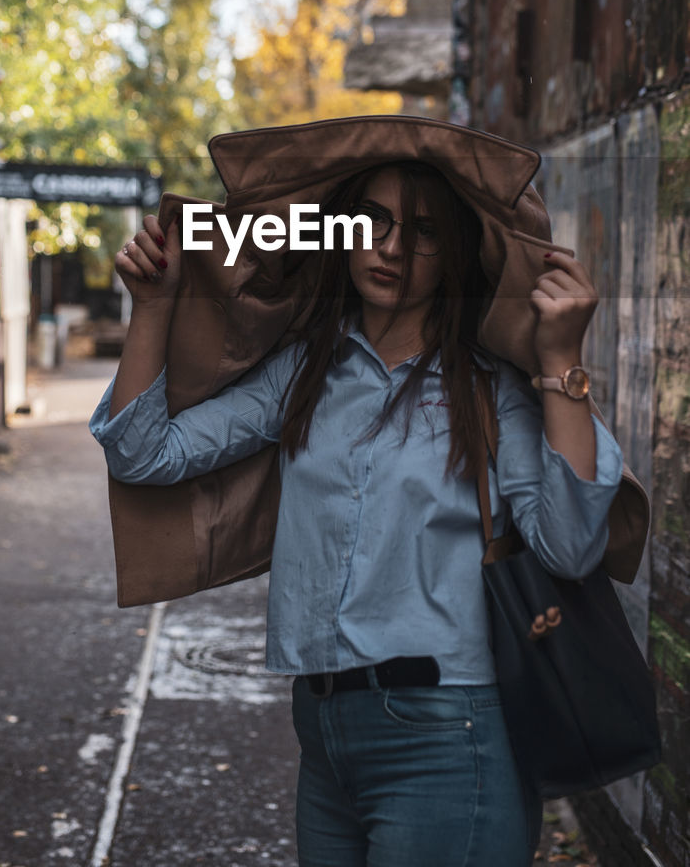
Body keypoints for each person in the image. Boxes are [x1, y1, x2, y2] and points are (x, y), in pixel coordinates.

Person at [90, 155, 624, 867]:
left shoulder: (487, 388)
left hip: (448, 732)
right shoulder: (308, 371)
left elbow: (569, 546)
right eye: (371, 220)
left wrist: (561, 364)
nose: (391, 245)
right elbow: (143, 453)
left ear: (456, 253)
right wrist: (156, 308)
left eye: (424, 230)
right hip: (323, 728)